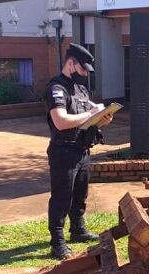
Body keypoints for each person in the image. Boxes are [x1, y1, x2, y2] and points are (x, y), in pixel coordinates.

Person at [45, 42, 113, 259]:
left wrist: (103, 119)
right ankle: (57, 241)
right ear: (71, 64)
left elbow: (89, 121)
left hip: (83, 150)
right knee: (61, 197)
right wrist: (90, 114)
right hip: (63, 151)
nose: (85, 73)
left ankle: (78, 229)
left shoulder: (81, 89)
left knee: (80, 194)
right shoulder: (57, 88)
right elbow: (61, 121)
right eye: (83, 69)